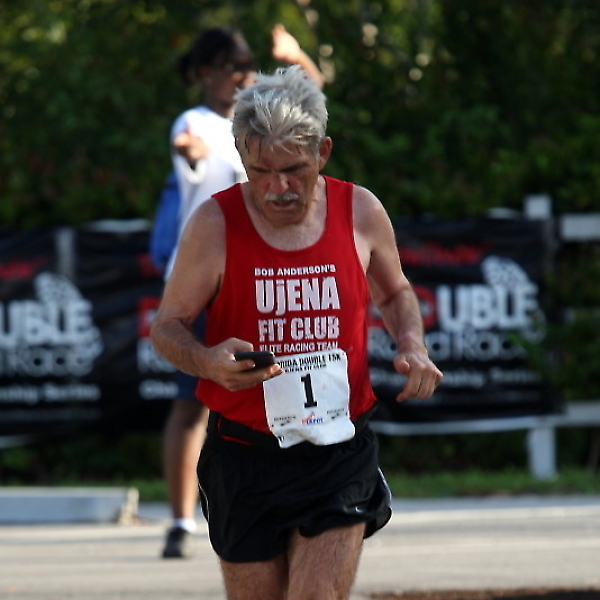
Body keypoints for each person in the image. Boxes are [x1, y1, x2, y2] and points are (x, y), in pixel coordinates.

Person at [151, 65, 443, 598]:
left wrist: (412, 345)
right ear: (242, 158)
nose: (278, 188)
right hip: (243, 452)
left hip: (337, 449)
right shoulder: (214, 225)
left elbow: (395, 292)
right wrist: (208, 361)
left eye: (294, 170)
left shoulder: (360, 211)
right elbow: (167, 328)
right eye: (261, 171)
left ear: (323, 153)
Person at [160, 25, 325, 559]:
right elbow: (188, 146)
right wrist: (188, 151)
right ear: (206, 72)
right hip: (205, 280)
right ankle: (181, 521)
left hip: (258, 276)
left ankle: (287, 504)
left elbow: (312, 102)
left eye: (248, 64)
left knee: (276, 390)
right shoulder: (197, 123)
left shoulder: (256, 122)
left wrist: (295, 56)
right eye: (233, 65)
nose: (243, 73)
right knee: (193, 405)